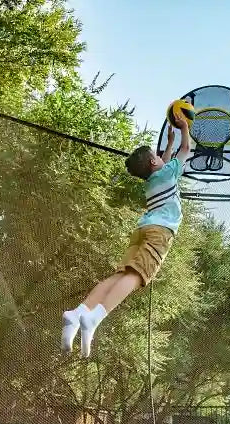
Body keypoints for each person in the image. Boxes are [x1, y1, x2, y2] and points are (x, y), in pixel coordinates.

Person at [61, 112, 191, 357]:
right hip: (159, 232)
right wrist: (184, 129)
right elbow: (186, 149)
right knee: (138, 276)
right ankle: (95, 317)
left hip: (143, 229)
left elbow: (166, 159)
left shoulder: (153, 180)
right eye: (157, 156)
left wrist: (168, 145)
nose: (162, 157)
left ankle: (79, 312)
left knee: (119, 275)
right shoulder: (168, 173)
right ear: (154, 163)